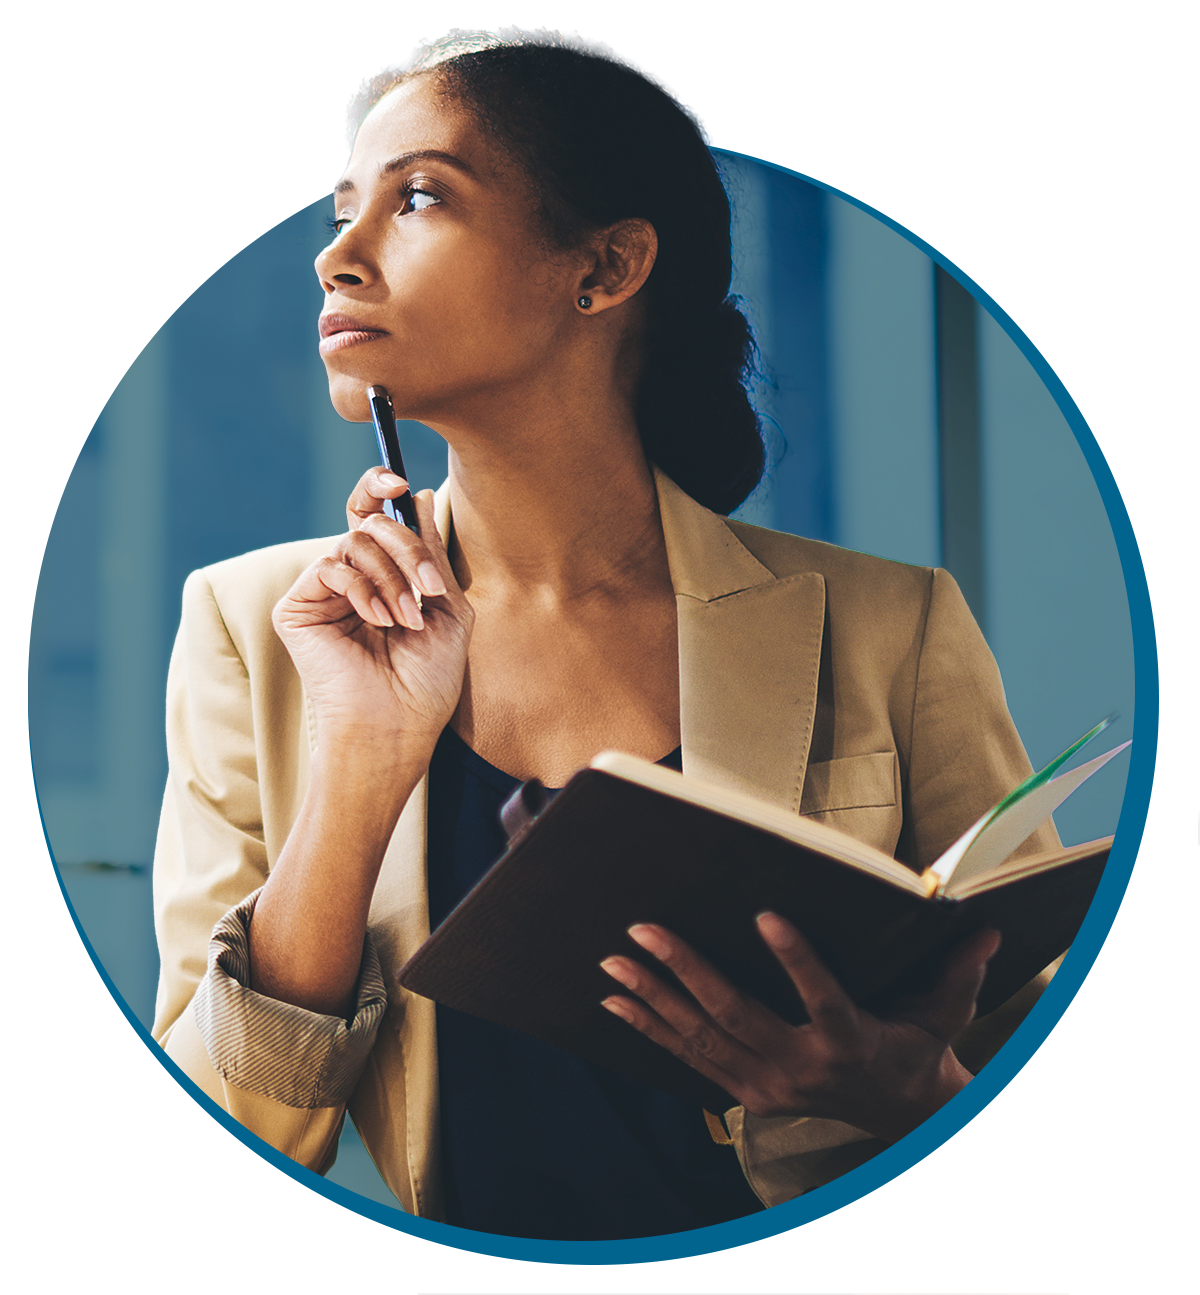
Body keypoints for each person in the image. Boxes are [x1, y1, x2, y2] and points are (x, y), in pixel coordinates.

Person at [151, 27, 1061, 1240]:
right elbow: (210, 1148)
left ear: (606, 266)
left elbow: (1058, 1114)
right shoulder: (258, 626)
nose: (336, 254)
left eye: (417, 198)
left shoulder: (892, 626)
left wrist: (912, 1098)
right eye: (341, 209)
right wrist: (360, 764)